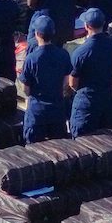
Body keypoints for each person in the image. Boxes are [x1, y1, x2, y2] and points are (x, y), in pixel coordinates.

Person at [67, 9, 112, 136]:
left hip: (87, 103)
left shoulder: (80, 52)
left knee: (82, 143)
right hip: (108, 101)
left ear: (86, 26)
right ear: (103, 24)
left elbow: (72, 83)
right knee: (109, 141)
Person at [20, 15, 73, 143]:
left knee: (34, 152)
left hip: (37, 113)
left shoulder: (31, 59)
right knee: (59, 151)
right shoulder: (63, 55)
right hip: (57, 110)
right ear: (53, 32)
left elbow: (26, 90)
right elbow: (66, 83)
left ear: (37, 34)